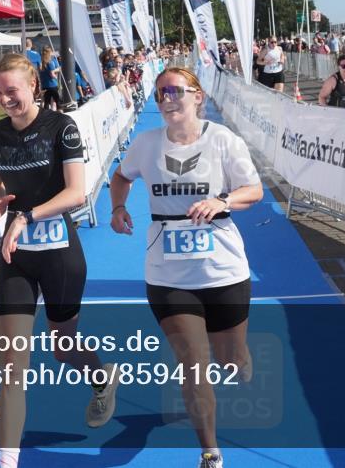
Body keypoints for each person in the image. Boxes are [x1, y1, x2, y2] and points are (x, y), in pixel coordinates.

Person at [109, 67, 264, 468]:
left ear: (197, 96)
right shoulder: (145, 144)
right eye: (160, 93)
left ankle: (240, 355)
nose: (167, 99)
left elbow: (254, 190)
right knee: (193, 362)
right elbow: (120, 177)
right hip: (168, 275)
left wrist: (222, 201)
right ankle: (210, 452)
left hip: (224, 270)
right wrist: (118, 207)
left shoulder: (223, 140)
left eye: (176, 91)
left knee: (229, 359)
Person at [0, 54, 119, 468]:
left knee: (62, 348)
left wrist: (26, 215)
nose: (6, 99)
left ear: (33, 88)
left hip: (60, 254)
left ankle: (102, 378)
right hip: (16, 256)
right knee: (12, 364)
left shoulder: (62, 127)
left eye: (13, 91)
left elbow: (76, 192)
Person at [39, 46, 61, 110]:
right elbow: (51, 74)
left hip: (45, 85)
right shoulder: (50, 62)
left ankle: (46, 116)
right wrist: (56, 77)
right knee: (57, 101)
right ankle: (60, 115)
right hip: (52, 85)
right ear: (49, 52)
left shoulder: (42, 62)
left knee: (46, 102)